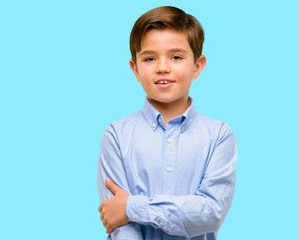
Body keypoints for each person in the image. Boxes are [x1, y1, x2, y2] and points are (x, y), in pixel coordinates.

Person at [97, 6, 237, 240]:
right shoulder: (116, 135)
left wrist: (132, 207)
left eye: (176, 57)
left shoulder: (219, 135)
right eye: (150, 58)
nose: (163, 67)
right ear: (135, 69)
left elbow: (212, 212)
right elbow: (117, 221)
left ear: (197, 66)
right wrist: (125, 212)